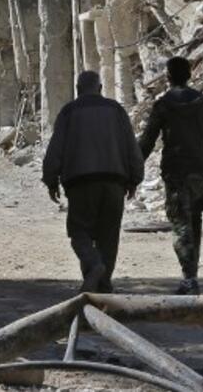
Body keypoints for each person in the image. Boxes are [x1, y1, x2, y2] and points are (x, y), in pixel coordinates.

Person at [43, 71, 144, 293]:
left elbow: (55, 150)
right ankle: (102, 285)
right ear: (99, 89)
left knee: (80, 232)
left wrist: (51, 180)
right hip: (114, 183)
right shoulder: (116, 110)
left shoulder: (69, 112)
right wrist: (135, 178)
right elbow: (131, 146)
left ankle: (94, 267)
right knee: (109, 237)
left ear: (78, 90)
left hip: (81, 184)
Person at [139, 56, 203, 295]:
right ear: (189, 75)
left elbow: (147, 142)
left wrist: (131, 169)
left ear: (167, 78)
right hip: (200, 170)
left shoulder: (163, 105)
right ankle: (192, 274)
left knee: (180, 224)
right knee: (194, 220)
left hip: (176, 171)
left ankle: (189, 277)